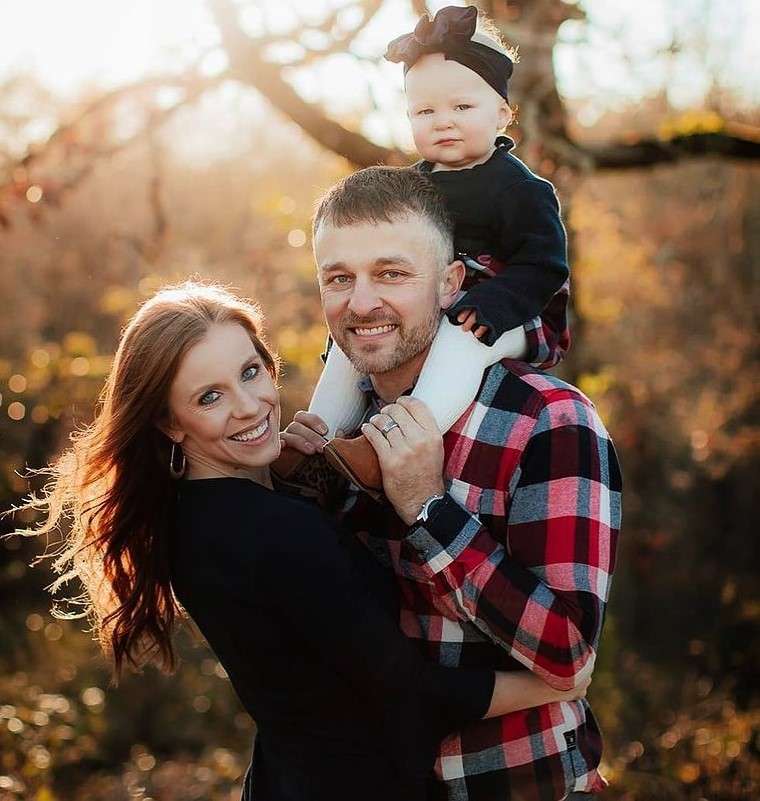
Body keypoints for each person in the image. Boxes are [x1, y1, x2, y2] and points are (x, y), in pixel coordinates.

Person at [17, 282, 591, 801]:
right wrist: (553, 682)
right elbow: (409, 695)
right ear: (169, 422)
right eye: (208, 397)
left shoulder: (188, 515)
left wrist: (304, 476)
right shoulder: (275, 531)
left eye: (250, 372)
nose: (250, 406)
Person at [281, 166, 622, 801]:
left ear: (451, 283)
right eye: (339, 278)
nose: (360, 303)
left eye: (391, 273)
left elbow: (568, 654)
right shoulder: (326, 433)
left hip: (516, 783)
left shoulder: (548, 420)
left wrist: (427, 508)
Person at [305, 5, 570, 493]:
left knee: (459, 341)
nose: (443, 122)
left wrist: (494, 304)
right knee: (347, 345)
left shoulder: (521, 190)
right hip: (438, 297)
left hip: (512, 312)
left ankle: (392, 446)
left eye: (462, 108)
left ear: (502, 113)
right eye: (425, 111)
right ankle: (313, 444)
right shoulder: (412, 186)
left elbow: (545, 265)